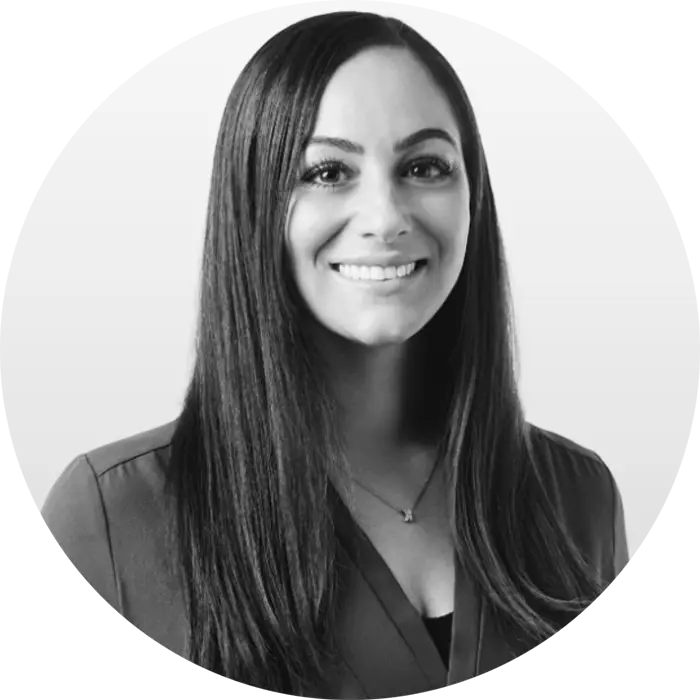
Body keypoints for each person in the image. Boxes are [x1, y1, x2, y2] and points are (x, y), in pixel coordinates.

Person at [40, 10, 629, 699]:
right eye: (326, 171)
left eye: (424, 166)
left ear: (474, 198)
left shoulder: (577, 499)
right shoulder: (111, 518)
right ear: (253, 203)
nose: (385, 215)